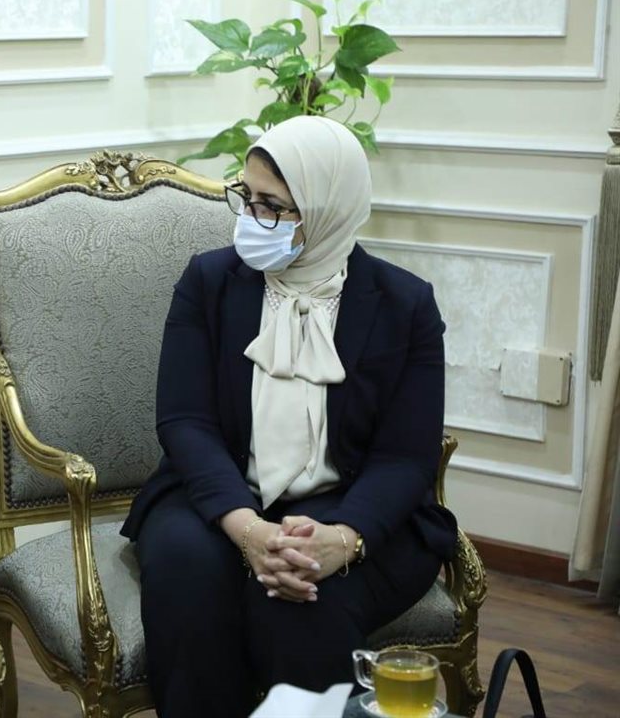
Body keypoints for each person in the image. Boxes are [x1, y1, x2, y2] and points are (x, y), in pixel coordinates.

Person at [120, 116, 458, 717]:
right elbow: (184, 422)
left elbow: (405, 457)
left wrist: (343, 540)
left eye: (272, 206)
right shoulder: (208, 282)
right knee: (187, 575)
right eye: (246, 197)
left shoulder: (405, 304)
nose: (251, 218)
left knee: (299, 602)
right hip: (215, 499)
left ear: (328, 208)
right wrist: (249, 530)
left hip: (353, 508)